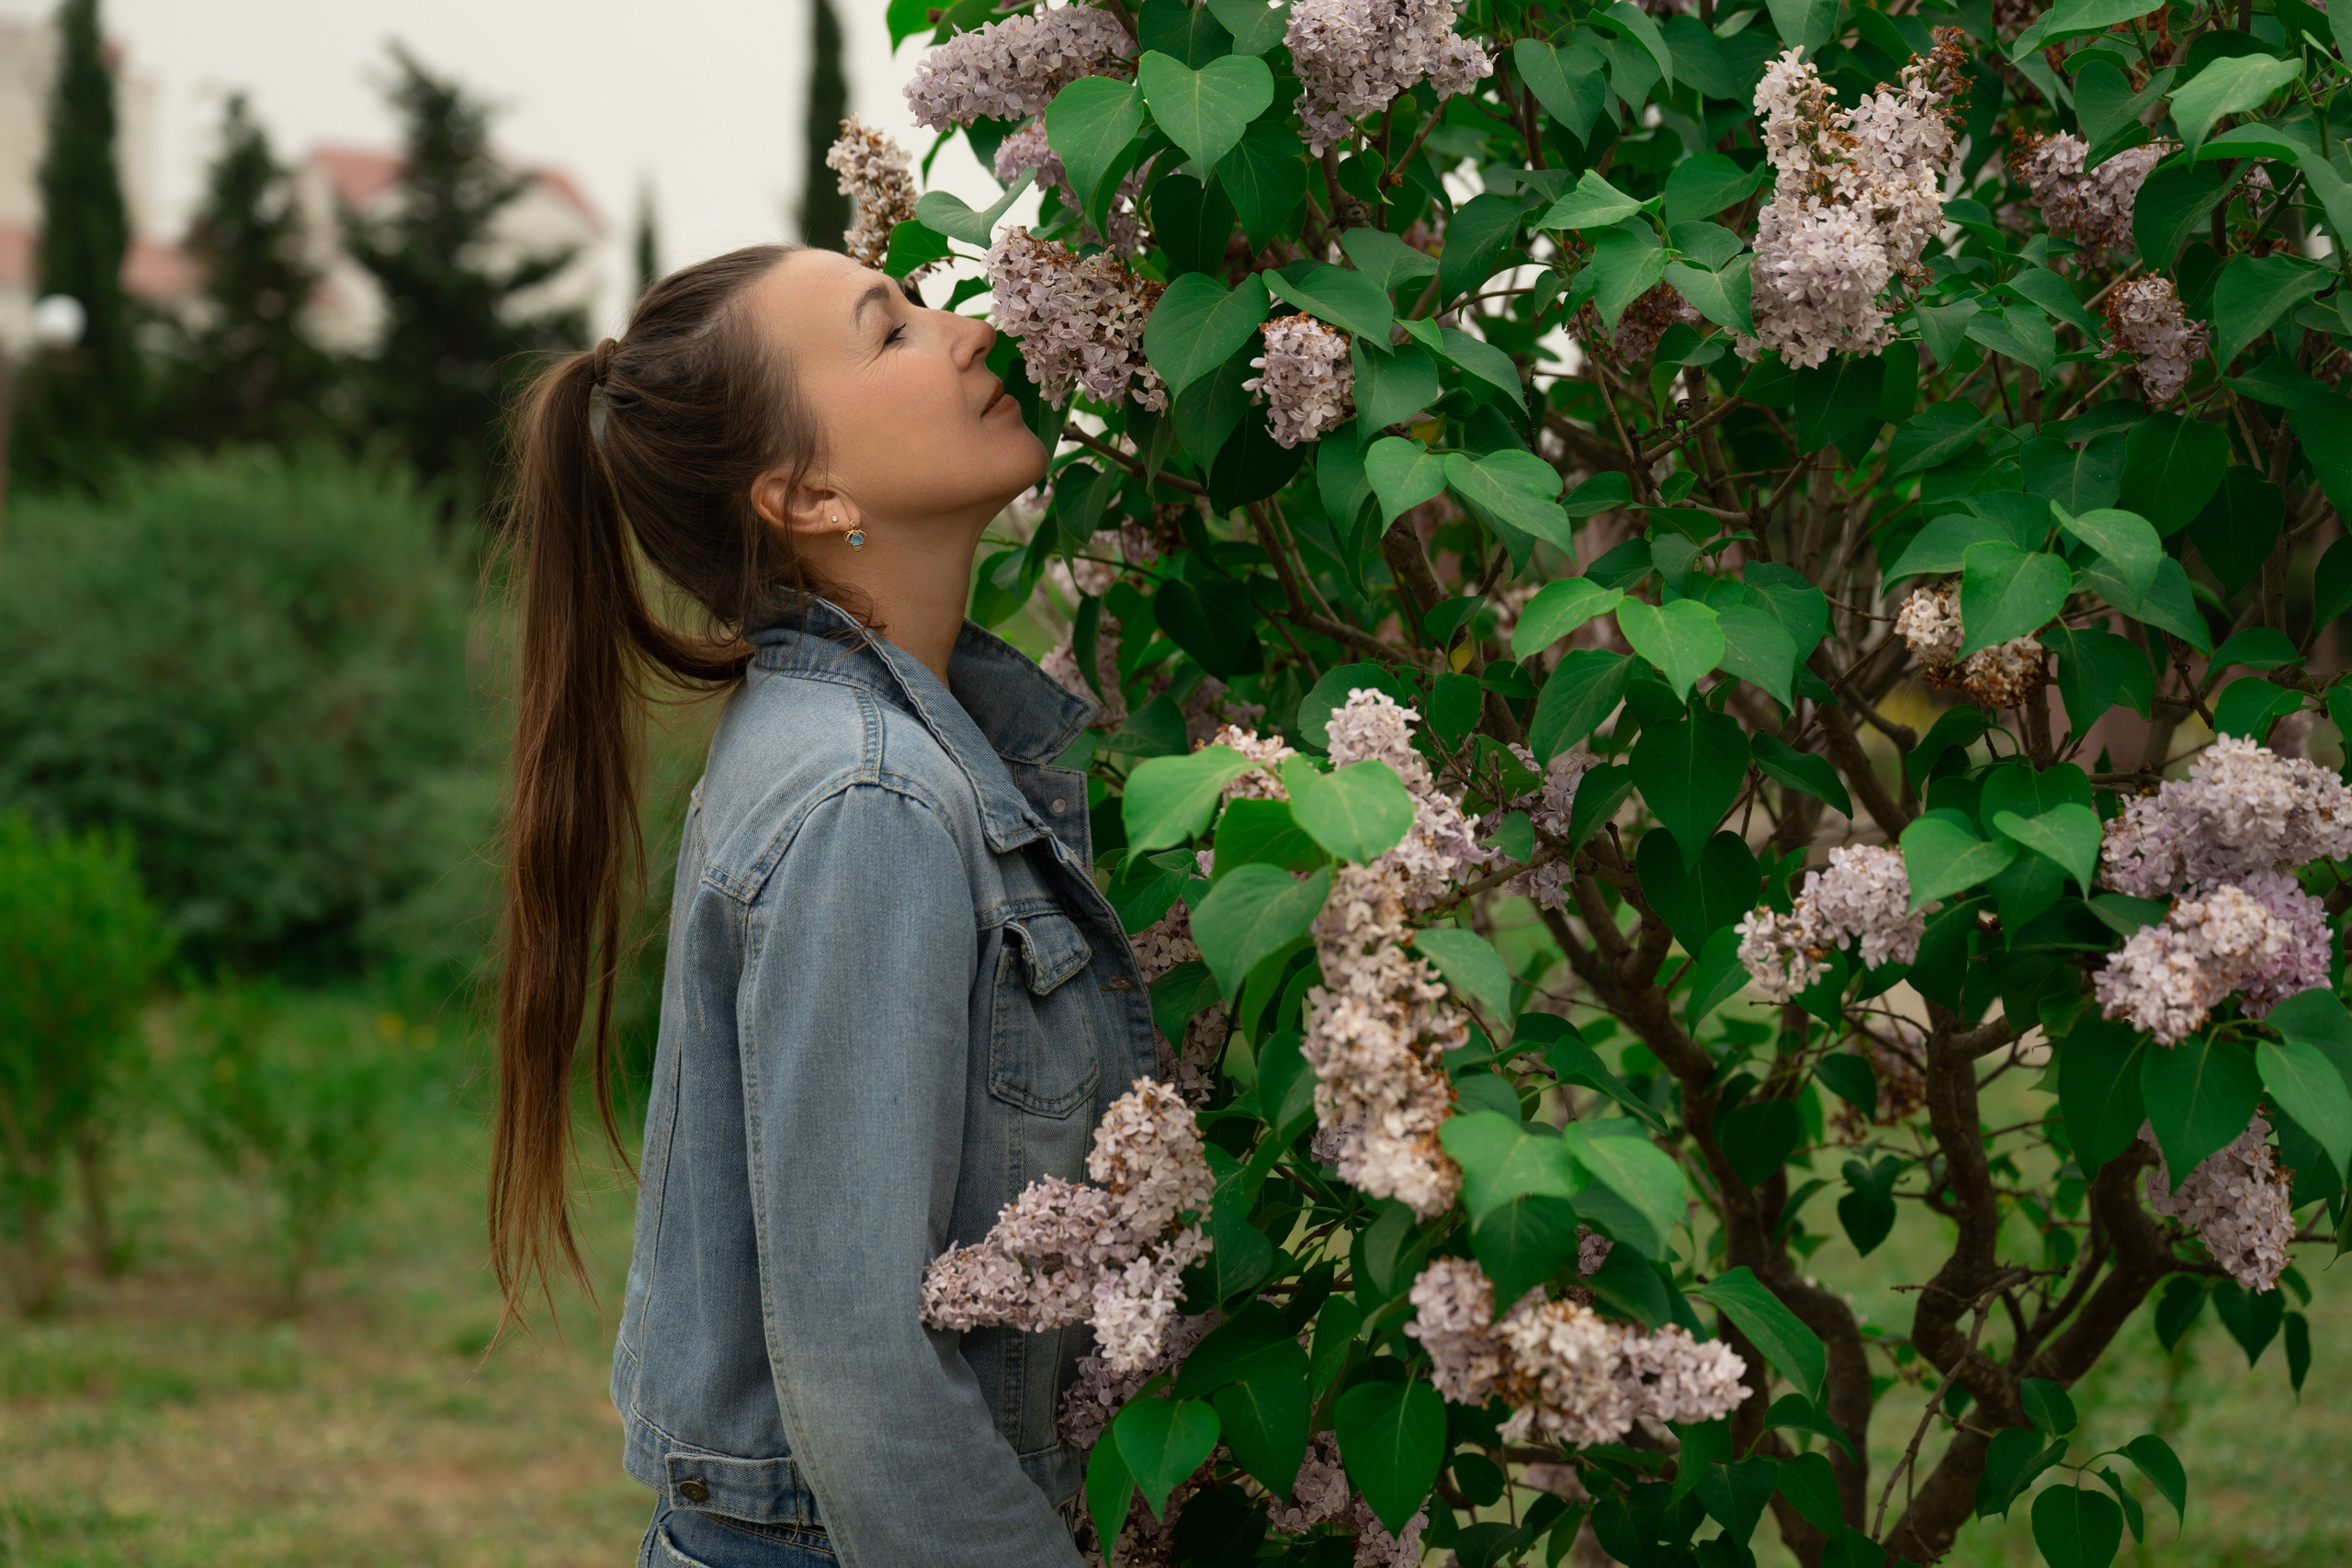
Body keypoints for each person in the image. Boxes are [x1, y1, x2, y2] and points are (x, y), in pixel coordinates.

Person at [494, 244, 1154, 1567]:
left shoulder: (872, 745)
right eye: (891, 331)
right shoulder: (873, 797)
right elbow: (864, 1376)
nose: (968, 330)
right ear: (806, 493)